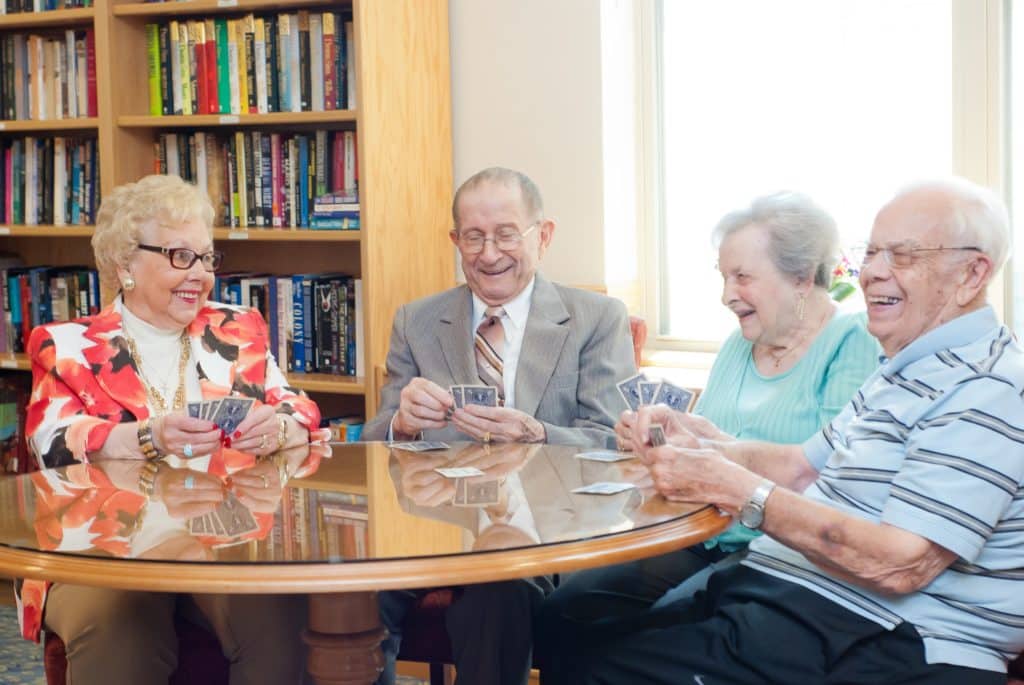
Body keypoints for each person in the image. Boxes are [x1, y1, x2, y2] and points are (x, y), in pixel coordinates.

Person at [548, 177, 1024, 684]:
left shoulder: (988, 386)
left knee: (599, 668)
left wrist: (732, 486)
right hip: (799, 593)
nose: (872, 273)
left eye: (904, 255)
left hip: (882, 630)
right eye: (873, 252)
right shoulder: (905, 368)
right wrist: (701, 444)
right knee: (573, 632)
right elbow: (800, 467)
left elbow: (902, 565)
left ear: (973, 275)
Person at [534, 192, 880, 663]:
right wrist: (652, 440)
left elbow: (830, 476)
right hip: (699, 534)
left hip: (777, 548)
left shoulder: (851, 342)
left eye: (742, 277)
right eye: (723, 277)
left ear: (800, 279)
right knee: (564, 611)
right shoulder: (738, 347)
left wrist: (708, 450)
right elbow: (700, 446)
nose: (726, 295)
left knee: (661, 634)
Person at [22, 174, 323, 684]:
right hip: (102, 551)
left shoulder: (237, 327)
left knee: (274, 615)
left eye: (206, 258)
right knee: (122, 627)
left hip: (223, 542)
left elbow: (299, 408)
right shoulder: (64, 345)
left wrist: (280, 429)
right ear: (125, 265)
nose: (200, 275)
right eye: (180, 256)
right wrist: (148, 438)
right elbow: (52, 442)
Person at [362, 167, 637, 685]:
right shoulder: (416, 321)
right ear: (455, 241)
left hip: (543, 531)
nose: (489, 254)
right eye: (474, 237)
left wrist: (539, 434)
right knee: (349, 588)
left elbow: (614, 441)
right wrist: (402, 424)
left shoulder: (596, 319)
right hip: (429, 530)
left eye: (507, 234)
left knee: (496, 589)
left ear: (543, 235)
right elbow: (372, 443)